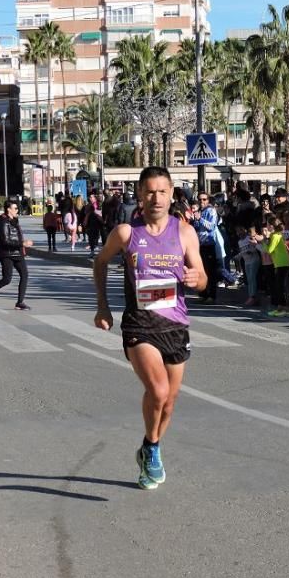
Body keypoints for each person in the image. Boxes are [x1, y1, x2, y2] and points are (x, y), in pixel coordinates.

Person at [93, 166, 207, 490]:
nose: (156, 198)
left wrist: (196, 279)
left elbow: (202, 277)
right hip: (139, 323)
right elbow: (100, 262)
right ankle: (153, 451)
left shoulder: (185, 233)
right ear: (140, 195)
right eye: (150, 192)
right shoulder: (127, 233)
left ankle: (149, 447)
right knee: (157, 390)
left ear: (172, 194)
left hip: (175, 325)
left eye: (162, 191)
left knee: (169, 402)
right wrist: (103, 306)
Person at [0, 199, 34, 310]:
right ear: (8, 209)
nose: (17, 210)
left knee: (25, 275)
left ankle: (20, 302)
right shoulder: (3, 222)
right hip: (7, 253)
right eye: (15, 208)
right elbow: (5, 241)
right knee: (7, 279)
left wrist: (22, 245)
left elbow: (16, 236)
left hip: (18, 252)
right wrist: (22, 243)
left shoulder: (14, 220)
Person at [192, 191, 219, 304]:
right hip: (200, 245)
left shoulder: (211, 211)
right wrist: (194, 220)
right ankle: (203, 294)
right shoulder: (200, 211)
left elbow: (211, 227)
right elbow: (197, 227)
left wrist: (200, 219)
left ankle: (211, 296)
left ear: (208, 201)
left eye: (204, 199)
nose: (202, 201)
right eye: (200, 199)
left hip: (209, 244)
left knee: (210, 272)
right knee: (201, 270)